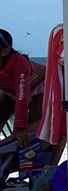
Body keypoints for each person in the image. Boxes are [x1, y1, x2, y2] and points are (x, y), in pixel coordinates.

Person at [0, 28, 49, 172]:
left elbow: (22, 96)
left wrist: (18, 128)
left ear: (4, 51)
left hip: (41, 86)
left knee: (28, 133)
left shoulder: (18, 62)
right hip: (12, 91)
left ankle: (31, 168)